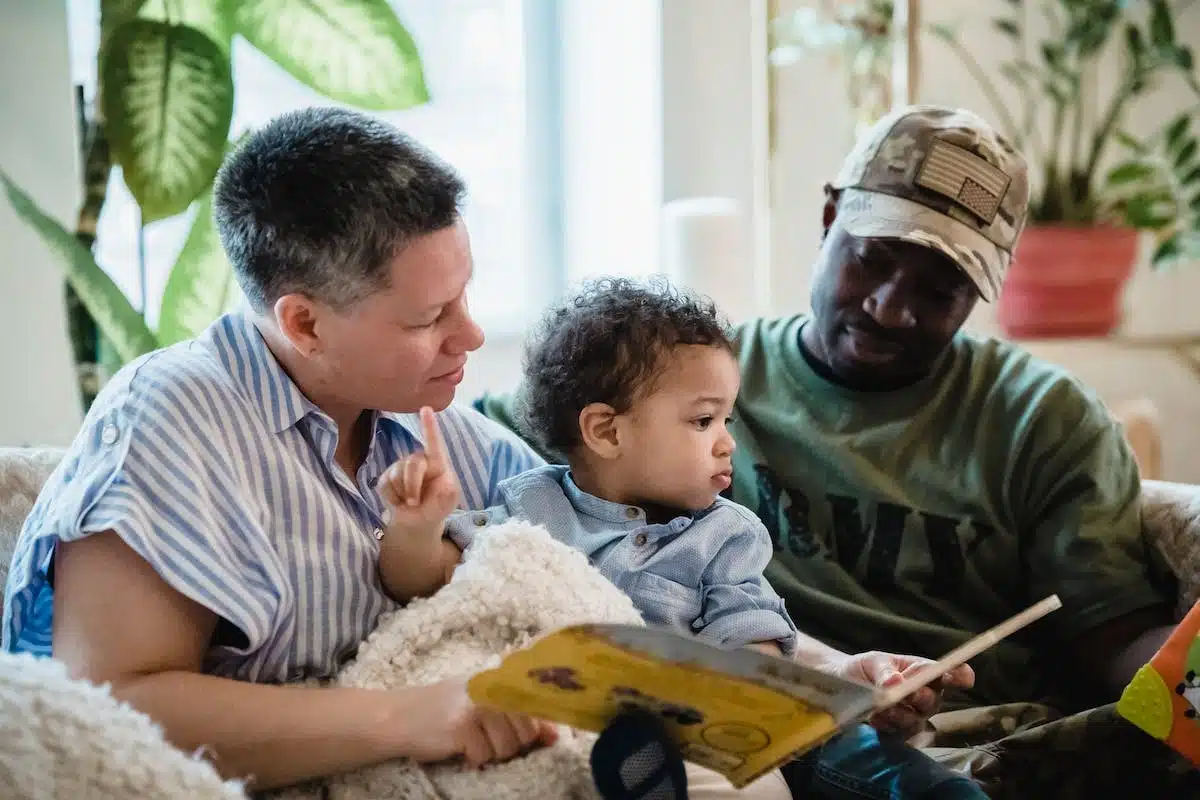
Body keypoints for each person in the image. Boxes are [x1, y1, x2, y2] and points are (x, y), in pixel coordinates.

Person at [473, 105, 1200, 797]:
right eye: (873, 260)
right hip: (765, 730)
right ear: (829, 217)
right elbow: (487, 439)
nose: (891, 305)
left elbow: (1114, 638)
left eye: (939, 288)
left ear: (985, 290)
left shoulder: (1042, 417)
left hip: (982, 748)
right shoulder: (684, 385)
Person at [1, 106, 561, 791]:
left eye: (464, 296)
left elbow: (573, 564)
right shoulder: (174, 420)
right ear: (304, 323)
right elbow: (106, 707)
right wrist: (412, 717)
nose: (470, 335)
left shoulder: (430, 426)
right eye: (428, 317)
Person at [380, 277, 987, 799]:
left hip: (713, 726)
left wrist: (824, 681)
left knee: (845, 760)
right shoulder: (529, 506)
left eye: (727, 419)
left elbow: (755, 647)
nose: (727, 442)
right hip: (578, 720)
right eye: (703, 420)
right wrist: (415, 526)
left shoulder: (724, 533)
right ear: (606, 432)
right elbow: (427, 582)